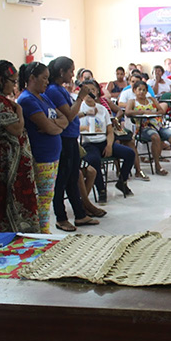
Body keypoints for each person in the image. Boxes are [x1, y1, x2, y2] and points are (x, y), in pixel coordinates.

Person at [0, 60, 40, 233]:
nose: (14, 86)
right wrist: (19, 112)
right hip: (8, 164)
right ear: (0, 80)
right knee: (10, 201)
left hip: (13, 161)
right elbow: (16, 129)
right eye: (12, 81)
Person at [45, 56, 99, 232]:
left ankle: (80, 214)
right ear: (61, 72)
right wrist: (81, 98)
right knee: (62, 178)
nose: (73, 74)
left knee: (73, 177)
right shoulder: (53, 90)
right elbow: (69, 114)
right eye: (71, 71)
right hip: (64, 138)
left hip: (71, 137)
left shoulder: (60, 89)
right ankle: (61, 217)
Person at [17, 62, 66, 233]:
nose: (47, 82)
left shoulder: (43, 97)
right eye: (44, 78)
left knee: (48, 195)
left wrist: (54, 124)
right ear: (32, 78)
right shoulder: (27, 99)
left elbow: (64, 120)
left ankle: (44, 229)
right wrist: (55, 125)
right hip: (41, 155)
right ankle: (42, 232)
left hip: (53, 153)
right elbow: (49, 128)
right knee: (43, 197)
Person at [79, 80, 136, 201]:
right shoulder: (78, 109)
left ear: (97, 93)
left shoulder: (102, 109)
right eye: (87, 91)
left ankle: (122, 181)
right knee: (94, 160)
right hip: (88, 144)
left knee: (130, 153)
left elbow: (109, 131)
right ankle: (101, 189)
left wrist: (109, 145)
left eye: (93, 91)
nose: (90, 94)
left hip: (103, 141)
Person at [131, 82, 171, 176]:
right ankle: (157, 165)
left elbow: (161, 110)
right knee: (155, 137)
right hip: (144, 128)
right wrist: (143, 112)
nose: (142, 92)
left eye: (144, 90)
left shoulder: (151, 99)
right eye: (139, 90)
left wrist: (154, 113)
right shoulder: (132, 102)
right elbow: (127, 112)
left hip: (158, 125)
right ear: (134, 91)